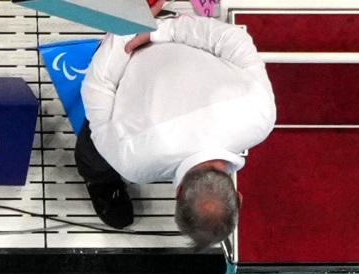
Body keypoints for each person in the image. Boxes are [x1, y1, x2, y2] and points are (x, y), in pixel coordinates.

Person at [77, 3, 276, 249]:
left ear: (239, 197)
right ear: (177, 192)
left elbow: (232, 38)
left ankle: (100, 182)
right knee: (96, 153)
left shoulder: (261, 115)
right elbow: (97, 85)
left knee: (103, 141)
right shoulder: (131, 162)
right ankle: (100, 183)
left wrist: (155, 30)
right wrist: (134, 30)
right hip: (132, 53)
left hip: (183, 30)